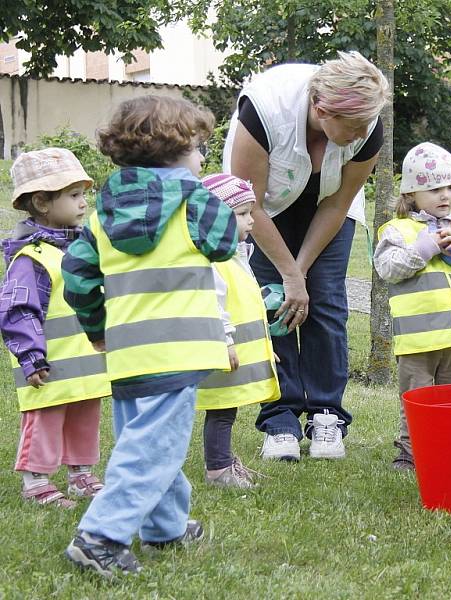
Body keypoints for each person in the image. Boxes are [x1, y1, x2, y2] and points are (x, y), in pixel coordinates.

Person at [62, 95, 239, 577]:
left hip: (126, 352)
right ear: (179, 150)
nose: (202, 158)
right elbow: (225, 244)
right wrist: (212, 195)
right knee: (154, 448)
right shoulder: (196, 200)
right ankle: (100, 535)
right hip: (179, 348)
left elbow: (76, 276)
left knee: (145, 441)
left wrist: (97, 329)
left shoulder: (100, 215)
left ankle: (165, 527)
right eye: (200, 148)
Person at [223, 50, 390, 461]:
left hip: (328, 208)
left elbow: (337, 205)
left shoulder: (367, 127)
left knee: (326, 302)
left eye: (364, 126)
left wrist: (300, 273)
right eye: (350, 127)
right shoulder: (264, 109)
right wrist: (287, 278)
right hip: (264, 209)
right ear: (321, 109)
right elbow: (254, 204)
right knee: (272, 304)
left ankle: (326, 416)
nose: (359, 135)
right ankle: (279, 420)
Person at [373, 142, 451, 470]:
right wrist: (425, 247)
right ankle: (410, 453)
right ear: (411, 194)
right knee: (418, 397)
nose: (445, 195)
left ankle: (450, 448)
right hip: (418, 338)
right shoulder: (397, 230)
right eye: (434, 189)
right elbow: (388, 269)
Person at [1, 148, 111, 508]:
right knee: (45, 420)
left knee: (83, 417)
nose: (84, 203)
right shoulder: (31, 259)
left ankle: (80, 475)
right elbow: (19, 310)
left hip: (84, 364)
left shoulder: (80, 249)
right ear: (42, 202)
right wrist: (31, 357)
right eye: (74, 195)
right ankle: (36, 481)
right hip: (48, 364)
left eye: (84, 194)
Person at [196, 173, 281, 488]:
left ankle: (224, 462)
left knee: (227, 409)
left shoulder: (237, 256)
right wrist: (225, 344)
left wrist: (262, 346)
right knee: (221, 409)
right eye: (242, 214)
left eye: (251, 212)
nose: (251, 221)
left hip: (233, 351)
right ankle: (218, 469)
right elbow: (215, 306)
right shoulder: (214, 264)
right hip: (222, 352)